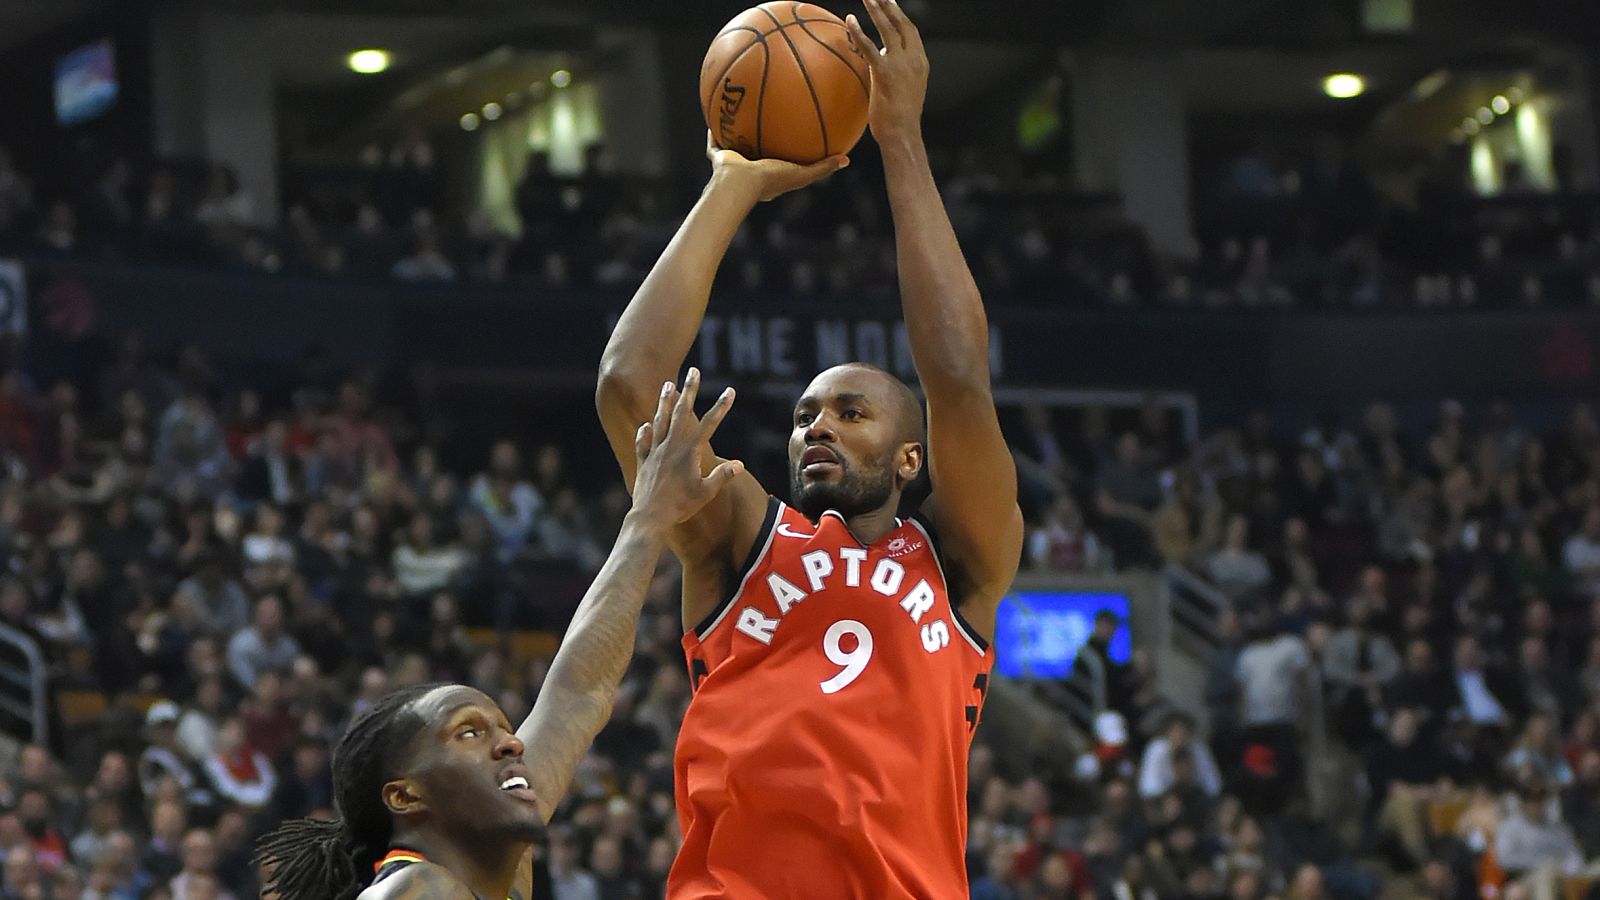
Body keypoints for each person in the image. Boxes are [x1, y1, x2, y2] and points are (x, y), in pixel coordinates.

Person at [594, 1, 1023, 895]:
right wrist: (733, 184)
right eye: (803, 416)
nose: (816, 426)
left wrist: (900, 140)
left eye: (851, 412)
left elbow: (956, 377)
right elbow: (629, 385)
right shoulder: (739, 533)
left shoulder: (959, 560)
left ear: (911, 458)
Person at [255, 376, 740, 900]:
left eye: (502, 728)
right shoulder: (419, 887)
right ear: (405, 796)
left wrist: (647, 520)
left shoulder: (492, 875)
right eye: (468, 733)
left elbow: (579, 692)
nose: (511, 743)